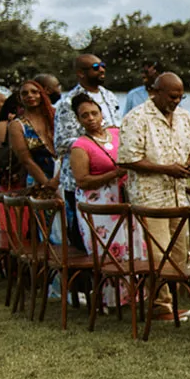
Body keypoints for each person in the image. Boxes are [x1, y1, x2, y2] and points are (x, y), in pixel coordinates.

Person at [117, 73, 190, 323]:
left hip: (178, 195)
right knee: (158, 253)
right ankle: (160, 305)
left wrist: (189, 163)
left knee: (179, 252)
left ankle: (172, 302)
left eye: (180, 97)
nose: (176, 101)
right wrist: (165, 169)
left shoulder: (185, 117)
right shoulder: (136, 118)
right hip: (150, 197)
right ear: (156, 92)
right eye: (172, 97)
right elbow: (128, 159)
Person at [54, 55, 122, 249]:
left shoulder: (109, 96)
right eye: (95, 67)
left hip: (113, 179)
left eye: (103, 65)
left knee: (114, 235)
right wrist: (94, 145)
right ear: (80, 73)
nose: (101, 70)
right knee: (83, 239)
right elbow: (60, 143)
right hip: (81, 180)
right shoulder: (68, 103)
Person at [68, 93, 130, 308]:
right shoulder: (80, 146)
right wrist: (114, 174)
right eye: (85, 116)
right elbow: (82, 180)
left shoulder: (117, 133)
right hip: (97, 203)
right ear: (79, 120)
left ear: (102, 113)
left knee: (130, 245)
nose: (91, 118)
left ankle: (134, 295)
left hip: (123, 197)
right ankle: (109, 299)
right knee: (108, 249)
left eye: (94, 113)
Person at [6, 79, 58, 193]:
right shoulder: (17, 125)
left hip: (65, 176)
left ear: (41, 94)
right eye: (25, 93)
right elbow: (26, 160)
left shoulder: (55, 117)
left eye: (34, 92)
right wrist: (48, 185)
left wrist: (59, 178)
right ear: (20, 99)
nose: (30, 95)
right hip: (39, 182)